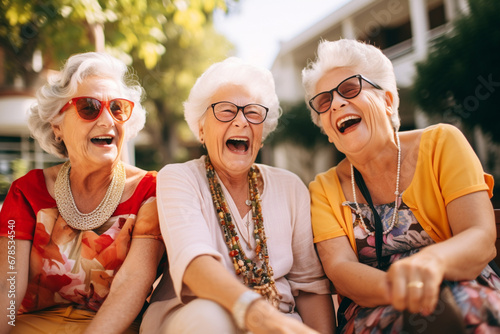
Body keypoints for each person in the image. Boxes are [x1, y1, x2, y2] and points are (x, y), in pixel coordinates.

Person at [302, 38, 500, 333]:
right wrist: (404, 290)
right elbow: (341, 270)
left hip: (461, 285)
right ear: (328, 131)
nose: (337, 103)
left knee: (461, 309)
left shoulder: (441, 143)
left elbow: (480, 236)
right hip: (373, 307)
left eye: (350, 88)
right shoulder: (322, 189)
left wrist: (431, 264)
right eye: (324, 101)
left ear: (388, 100)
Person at [140, 57, 335, 334]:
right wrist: (259, 316)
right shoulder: (178, 178)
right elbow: (195, 264)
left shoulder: (291, 187)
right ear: (201, 129)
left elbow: (310, 287)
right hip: (196, 318)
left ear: (262, 133)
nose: (241, 121)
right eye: (226, 110)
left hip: (280, 323)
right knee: (211, 318)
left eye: (253, 113)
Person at [0, 52, 165, 334]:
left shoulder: (152, 191)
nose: (107, 121)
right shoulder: (26, 192)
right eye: (89, 107)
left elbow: (131, 285)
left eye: (117, 108)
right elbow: (7, 286)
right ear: (57, 126)